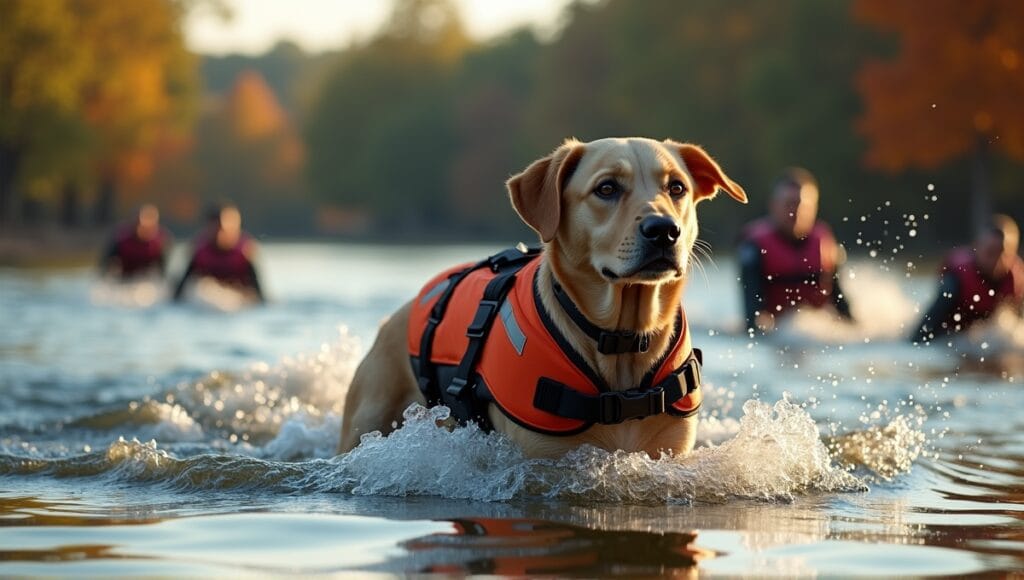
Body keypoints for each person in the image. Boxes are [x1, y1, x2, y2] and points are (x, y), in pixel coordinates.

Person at [737, 168, 854, 333]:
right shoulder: (754, 247)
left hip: (816, 332)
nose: (796, 212)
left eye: (802, 205)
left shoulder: (827, 245)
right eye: (788, 204)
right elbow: (752, 315)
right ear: (773, 206)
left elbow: (842, 306)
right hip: (775, 331)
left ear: (814, 208)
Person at [911, 215, 1024, 343]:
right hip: (948, 333)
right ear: (976, 248)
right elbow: (920, 335)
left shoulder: (1017, 283)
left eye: (1003, 253)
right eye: (990, 252)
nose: (997, 261)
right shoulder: (955, 281)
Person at [172, 203, 264, 302]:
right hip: (209, 299)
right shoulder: (199, 252)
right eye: (218, 227)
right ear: (208, 227)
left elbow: (259, 293)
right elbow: (180, 290)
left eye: (228, 227)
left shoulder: (245, 252)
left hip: (238, 298)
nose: (222, 232)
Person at [99, 204, 172, 280]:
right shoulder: (122, 239)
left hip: (146, 281)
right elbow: (106, 263)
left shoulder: (159, 241)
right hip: (125, 279)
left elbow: (164, 269)